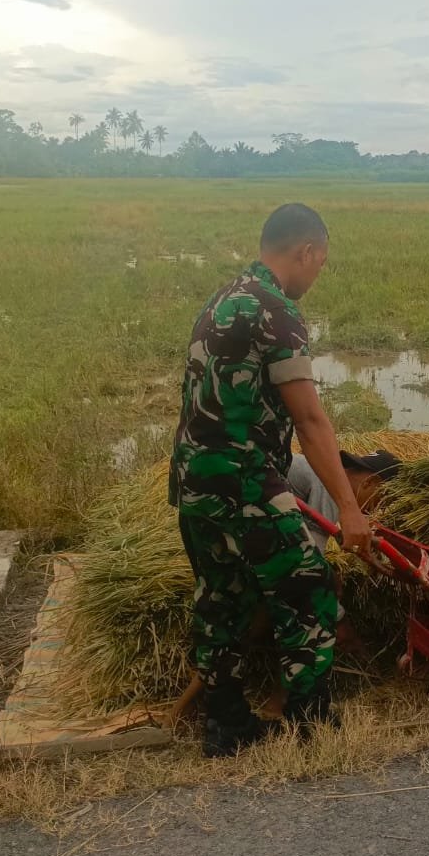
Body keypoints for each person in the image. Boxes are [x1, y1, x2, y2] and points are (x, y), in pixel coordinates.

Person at [168, 202, 373, 756]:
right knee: (307, 590)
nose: (316, 275)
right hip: (243, 482)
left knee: (221, 601)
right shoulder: (275, 311)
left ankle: (226, 726)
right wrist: (350, 510)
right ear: (305, 252)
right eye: (320, 263)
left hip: (193, 482)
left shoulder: (222, 300)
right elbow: (309, 419)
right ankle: (311, 726)